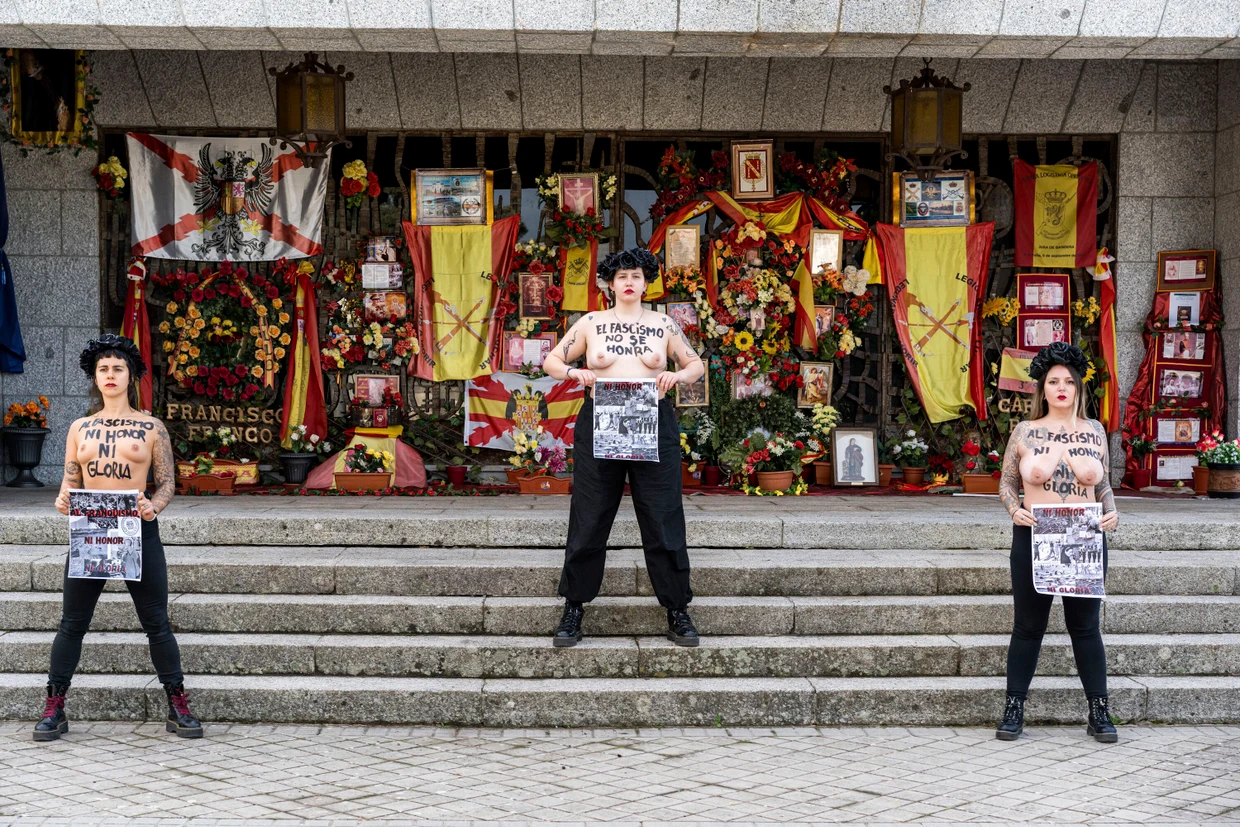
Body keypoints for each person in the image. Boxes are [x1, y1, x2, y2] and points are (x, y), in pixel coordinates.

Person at [36, 335, 203, 742]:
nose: (110, 375)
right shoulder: (80, 427)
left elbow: (167, 484)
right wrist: (62, 499)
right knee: (72, 622)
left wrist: (154, 506)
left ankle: (177, 703)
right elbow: (69, 483)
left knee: (157, 623)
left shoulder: (151, 427)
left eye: (118, 368)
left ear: (131, 376)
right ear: (95, 377)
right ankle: (54, 706)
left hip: (136, 529)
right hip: (92, 530)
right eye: (103, 369)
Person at [542, 248, 706, 648]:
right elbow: (551, 362)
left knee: (663, 516)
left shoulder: (663, 322)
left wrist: (677, 374)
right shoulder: (591, 322)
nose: (629, 282)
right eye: (621, 277)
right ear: (610, 284)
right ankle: (574, 606)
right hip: (602, 416)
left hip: (652, 418)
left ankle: (677, 610)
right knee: (590, 516)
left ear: (646, 282)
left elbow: (695, 364)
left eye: (636, 276)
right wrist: (575, 371)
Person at [997, 341, 1119, 743]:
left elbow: (1102, 483)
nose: (1062, 387)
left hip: (1084, 535)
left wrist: (1112, 511)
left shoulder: (1095, 430)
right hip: (1035, 534)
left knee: (1085, 627)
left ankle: (1099, 711)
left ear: (1079, 387)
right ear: (1042, 388)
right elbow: (1007, 484)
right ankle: (1014, 707)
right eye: (1053, 381)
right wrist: (1015, 511)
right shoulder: (1026, 431)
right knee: (1028, 627)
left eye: (1069, 380)